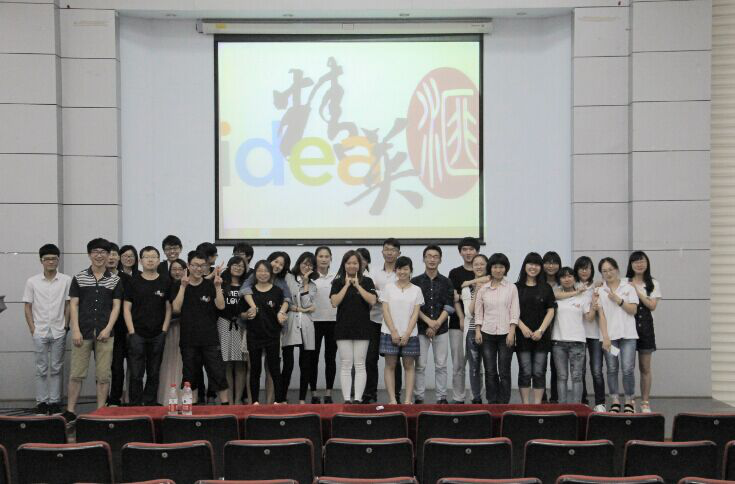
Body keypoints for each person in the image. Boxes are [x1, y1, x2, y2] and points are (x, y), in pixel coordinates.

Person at [64, 238, 123, 422]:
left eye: (103, 252)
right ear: (89, 254)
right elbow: (73, 305)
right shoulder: (79, 277)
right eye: (95, 252)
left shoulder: (115, 280)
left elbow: (116, 307)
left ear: (108, 255)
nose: (99, 255)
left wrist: (108, 328)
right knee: (76, 374)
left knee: (103, 375)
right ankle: (70, 411)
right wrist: (75, 330)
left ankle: (100, 411)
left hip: (106, 333)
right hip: (82, 332)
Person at [171, 251, 230, 404]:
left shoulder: (210, 285)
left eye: (202, 266)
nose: (198, 269)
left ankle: (226, 405)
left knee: (218, 373)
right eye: (195, 265)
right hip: (189, 339)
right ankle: (192, 406)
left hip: (210, 339)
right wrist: (183, 286)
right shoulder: (179, 285)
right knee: (190, 375)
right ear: (188, 266)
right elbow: (176, 308)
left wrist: (218, 287)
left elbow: (221, 306)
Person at [23, 244, 72, 415]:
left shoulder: (66, 280)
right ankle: (42, 402)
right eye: (47, 259)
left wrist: (66, 325)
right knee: (41, 368)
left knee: (57, 367)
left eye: (54, 259)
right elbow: (27, 306)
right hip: (40, 330)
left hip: (59, 329)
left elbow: (68, 304)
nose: (51, 262)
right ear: (41, 261)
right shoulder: (32, 281)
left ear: (58, 260)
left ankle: (54, 402)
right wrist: (32, 328)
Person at [241, 251, 292, 404]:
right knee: (254, 369)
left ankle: (276, 402)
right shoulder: (250, 287)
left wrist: (282, 313)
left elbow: (287, 301)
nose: (263, 274)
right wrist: (248, 312)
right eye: (260, 271)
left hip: (272, 335)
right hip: (253, 335)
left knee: (274, 369)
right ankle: (254, 402)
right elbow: (241, 311)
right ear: (255, 272)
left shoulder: (279, 288)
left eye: (281, 264)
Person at [123, 246, 172, 406]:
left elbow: (168, 308)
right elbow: (126, 308)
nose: (150, 260)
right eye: (147, 257)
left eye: (154, 257)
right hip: (137, 334)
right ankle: (135, 404)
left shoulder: (165, 281)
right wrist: (131, 332)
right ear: (141, 260)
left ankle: (150, 402)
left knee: (154, 372)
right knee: (136, 373)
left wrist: (164, 330)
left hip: (158, 334)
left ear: (158, 260)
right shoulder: (133, 281)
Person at [330, 250, 377, 403]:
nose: (352, 266)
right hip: (343, 328)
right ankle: (347, 399)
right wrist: (346, 285)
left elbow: (372, 300)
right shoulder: (337, 282)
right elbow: (334, 302)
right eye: (349, 263)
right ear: (344, 264)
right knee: (346, 363)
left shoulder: (367, 281)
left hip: (362, 328)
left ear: (360, 265)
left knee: (360, 364)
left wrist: (357, 286)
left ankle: (357, 399)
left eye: (355, 263)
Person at [552, 267, 603, 404]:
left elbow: (589, 318)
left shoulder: (583, 297)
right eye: (563, 277)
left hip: (578, 342)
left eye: (570, 276)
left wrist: (594, 305)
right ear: (559, 279)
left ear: (574, 278)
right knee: (562, 376)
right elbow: (555, 296)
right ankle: (562, 407)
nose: (567, 279)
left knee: (577, 377)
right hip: (558, 342)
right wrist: (577, 292)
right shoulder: (556, 294)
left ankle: (577, 406)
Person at [411, 245, 455, 404]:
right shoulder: (415, 282)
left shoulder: (446, 281)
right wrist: (429, 322)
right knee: (420, 365)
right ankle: (419, 397)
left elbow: (449, 306)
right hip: (420, 329)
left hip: (441, 329)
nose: (432, 259)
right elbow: (413, 307)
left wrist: (436, 324)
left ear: (440, 260)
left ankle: (441, 397)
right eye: (429, 256)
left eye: (435, 256)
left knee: (441, 365)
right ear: (423, 259)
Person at [474, 253, 519, 404]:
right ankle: (492, 402)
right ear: (490, 268)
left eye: (501, 267)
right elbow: (478, 312)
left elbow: (514, 311)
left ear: (506, 269)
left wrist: (512, 332)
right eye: (495, 267)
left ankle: (504, 402)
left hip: (506, 334)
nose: (498, 270)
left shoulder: (511, 288)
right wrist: (477, 330)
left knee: (504, 371)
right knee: (490, 370)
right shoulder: (483, 289)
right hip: (487, 334)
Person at [596, 257, 639, 413]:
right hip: (610, 337)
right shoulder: (600, 291)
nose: (608, 273)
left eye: (611, 269)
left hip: (628, 335)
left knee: (628, 369)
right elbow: (601, 315)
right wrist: (605, 337)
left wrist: (618, 300)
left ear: (617, 269)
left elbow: (633, 310)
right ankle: (614, 400)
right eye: (604, 271)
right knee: (612, 369)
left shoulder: (628, 287)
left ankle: (629, 400)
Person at [380, 256, 423, 404]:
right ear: (395, 270)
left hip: (410, 334)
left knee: (409, 366)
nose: (402, 272)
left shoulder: (416, 290)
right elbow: (385, 310)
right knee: (390, 366)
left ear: (411, 270)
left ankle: (407, 400)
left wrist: (407, 333)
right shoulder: (388, 288)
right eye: (399, 269)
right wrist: (393, 331)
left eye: (405, 269)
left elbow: (415, 314)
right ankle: (392, 400)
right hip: (389, 332)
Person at [365, 238, 403, 403]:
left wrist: (381, 295)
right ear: (382, 252)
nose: (389, 252)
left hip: (394, 323)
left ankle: (396, 395)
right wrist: (385, 295)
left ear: (398, 253)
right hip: (374, 320)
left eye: (393, 250)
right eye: (386, 249)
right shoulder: (373, 272)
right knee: (370, 358)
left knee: (394, 360)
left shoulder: (402, 272)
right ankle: (370, 393)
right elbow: (370, 292)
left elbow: (401, 293)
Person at [515, 252, 556, 404]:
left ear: (540, 267)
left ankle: (537, 406)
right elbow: (511, 311)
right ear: (525, 265)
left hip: (541, 337)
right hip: (522, 335)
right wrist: (522, 327)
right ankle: (526, 406)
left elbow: (551, 310)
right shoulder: (516, 288)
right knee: (525, 372)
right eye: (530, 263)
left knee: (539, 372)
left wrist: (541, 330)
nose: (533, 267)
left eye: (537, 264)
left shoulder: (546, 288)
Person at [625, 251, 662, 413]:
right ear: (631, 265)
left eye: (642, 261)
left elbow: (652, 305)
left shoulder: (653, 283)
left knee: (645, 368)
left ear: (647, 264)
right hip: (627, 327)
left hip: (646, 328)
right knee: (628, 367)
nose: (639, 264)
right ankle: (630, 400)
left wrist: (637, 290)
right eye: (636, 262)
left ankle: (645, 401)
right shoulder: (625, 282)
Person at [447, 236, 481, 403]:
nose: (468, 252)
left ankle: (477, 397)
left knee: (477, 365)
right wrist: (461, 318)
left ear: (477, 251)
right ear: (460, 252)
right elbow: (454, 297)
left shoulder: (483, 272)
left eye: (471, 249)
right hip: (457, 324)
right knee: (459, 364)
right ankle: (458, 397)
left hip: (480, 326)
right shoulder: (455, 273)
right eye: (465, 249)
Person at [281, 252, 318, 404]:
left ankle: (302, 398)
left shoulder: (313, 285)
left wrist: (305, 283)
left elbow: (307, 303)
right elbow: (285, 300)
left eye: (310, 264)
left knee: (306, 364)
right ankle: (282, 397)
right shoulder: (288, 278)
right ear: (299, 263)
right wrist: (298, 309)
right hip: (289, 323)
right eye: (304, 263)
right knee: (288, 364)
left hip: (306, 325)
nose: (306, 266)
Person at [573, 256, 608, 411]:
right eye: (581, 268)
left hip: (594, 334)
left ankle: (600, 402)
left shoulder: (597, 286)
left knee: (596, 370)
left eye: (587, 268)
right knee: (580, 371)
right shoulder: (572, 286)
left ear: (592, 270)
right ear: (576, 270)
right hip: (577, 334)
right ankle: (583, 401)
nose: (584, 271)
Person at [455, 253, 488, 404]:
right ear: (472, 267)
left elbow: (489, 278)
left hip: (490, 331)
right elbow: (469, 312)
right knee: (474, 367)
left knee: (490, 367)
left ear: (487, 266)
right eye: (476, 264)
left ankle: (492, 398)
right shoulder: (467, 289)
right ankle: (476, 397)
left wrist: (473, 281)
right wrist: (477, 292)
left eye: (482, 264)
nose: (479, 267)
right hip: (472, 331)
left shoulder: (492, 283)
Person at [216, 256, 249, 405]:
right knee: (227, 364)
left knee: (241, 364)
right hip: (224, 324)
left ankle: (237, 401)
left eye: (241, 266)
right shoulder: (222, 283)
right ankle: (228, 402)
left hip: (241, 325)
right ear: (229, 266)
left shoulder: (247, 285)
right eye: (235, 265)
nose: (238, 268)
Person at [311, 246, 338, 403]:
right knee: (313, 359)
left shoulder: (337, 277)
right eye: (320, 256)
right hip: (313, 322)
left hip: (333, 322)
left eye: (326, 256)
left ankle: (328, 393)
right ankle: (314, 393)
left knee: (330, 358)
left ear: (331, 259)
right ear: (316, 258)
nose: (323, 259)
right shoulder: (309, 277)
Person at [157, 259, 186, 403]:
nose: (177, 272)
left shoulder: (190, 285)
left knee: (184, 363)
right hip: (170, 328)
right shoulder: (166, 285)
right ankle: (166, 397)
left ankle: (184, 398)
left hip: (186, 329)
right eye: (174, 269)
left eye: (180, 269)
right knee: (168, 361)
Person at [106, 243, 131, 406]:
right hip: (103, 329)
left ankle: (116, 399)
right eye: (108, 254)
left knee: (118, 365)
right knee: (104, 367)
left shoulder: (126, 279)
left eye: (114, 254)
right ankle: (105, 399)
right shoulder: (98, 277)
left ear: (119, 258)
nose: (111, 257)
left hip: (122, 328)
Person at [541, 251, 562, 403]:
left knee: (556, 367)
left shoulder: (564, 282)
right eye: (548, 262)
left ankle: (555, 398)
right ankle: (541, 398)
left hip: (559, 330)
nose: (551, 266)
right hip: (541, 330)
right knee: (540, 367)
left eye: (554, 263)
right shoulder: (538, 282)